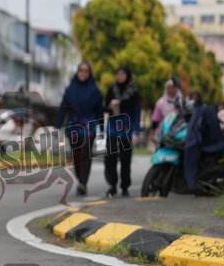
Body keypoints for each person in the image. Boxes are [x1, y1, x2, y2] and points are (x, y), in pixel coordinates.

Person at [55, 62, 102, 196]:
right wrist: (57, 126)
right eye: (81, 70)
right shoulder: (70, 90)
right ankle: (80, 179)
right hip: (73, 126)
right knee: (76, 154)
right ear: (77, 72)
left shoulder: (95, 91)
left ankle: (83, 183)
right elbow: (63, 109)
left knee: (85, 153)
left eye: (86, 71)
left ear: (89, 73)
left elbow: (99, 111)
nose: (83, 73)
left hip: (89, 126)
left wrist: (102, 127)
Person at [104, 65, 141, 198]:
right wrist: (109, 107)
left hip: (126, 129)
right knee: (110, 158)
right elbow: (105, 108)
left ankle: (125, 186)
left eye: (122, 74)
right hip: (112, 129)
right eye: (118, 74)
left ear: (127, 75)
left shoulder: (134, 92)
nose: (120, 76)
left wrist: (137, 131)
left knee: (126, 159)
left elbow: (137, 112)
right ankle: (112, 185)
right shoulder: (112, 89)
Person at [150, 78, 182, 144]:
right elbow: (155, 119)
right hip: (163, 132)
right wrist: (152, 134)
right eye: (169, 88)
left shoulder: (181, 102)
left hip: (178, 132)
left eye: (173, 87)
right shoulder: (161, 103)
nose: (171, 89)